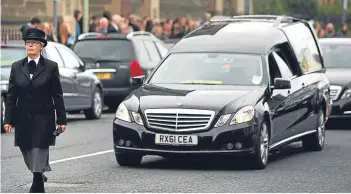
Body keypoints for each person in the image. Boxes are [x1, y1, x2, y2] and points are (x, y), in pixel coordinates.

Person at [3, 28, 67, 193]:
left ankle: (37, 180)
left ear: (41, 47)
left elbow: (57, 94)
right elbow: (11, 96)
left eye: (33, 43)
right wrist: (8, 120)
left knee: (39, 147)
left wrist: (62, 120)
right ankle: (38, 172)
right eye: (27, 43)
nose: (30, 46)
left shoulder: (51, 67)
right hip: (22, 117)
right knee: (26, 149)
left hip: (43, 117)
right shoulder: (16, 67)